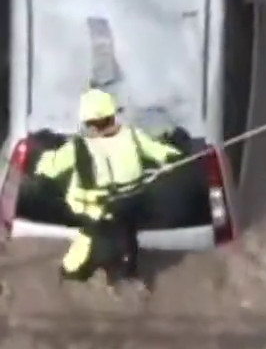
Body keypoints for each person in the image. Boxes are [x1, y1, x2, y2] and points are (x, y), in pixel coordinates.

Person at [33, 88, 182, 286]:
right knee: (126, 260)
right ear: (112, 114)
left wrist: (37, 160)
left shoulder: (79, 147)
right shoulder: (133, 137)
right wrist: (171, 157)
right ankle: (127, 272)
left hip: (97, 220)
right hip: (127, 214)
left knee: (70, 271)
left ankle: (79, 275)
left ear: (90, 123)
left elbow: (48, 168)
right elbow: (161, 152)